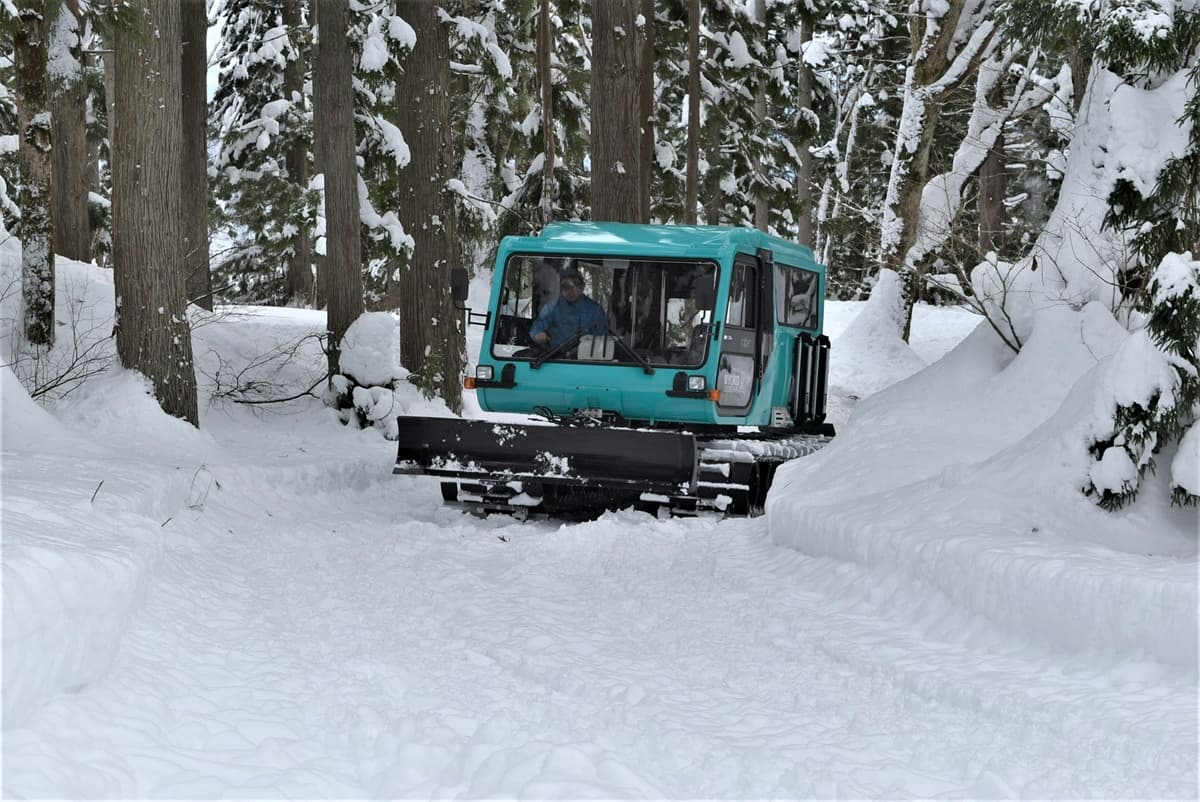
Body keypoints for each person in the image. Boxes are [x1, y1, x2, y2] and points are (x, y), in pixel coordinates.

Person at [529, 270, 608, 349]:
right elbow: (537, 327)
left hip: (586, 358)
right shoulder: (552, 307)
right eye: (566, 286)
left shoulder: (595, 310)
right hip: (555, 357)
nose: (571, 290)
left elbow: (602, 339)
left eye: (576, 285)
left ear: (583, 286)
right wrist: (538, 335)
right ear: (560, 288)